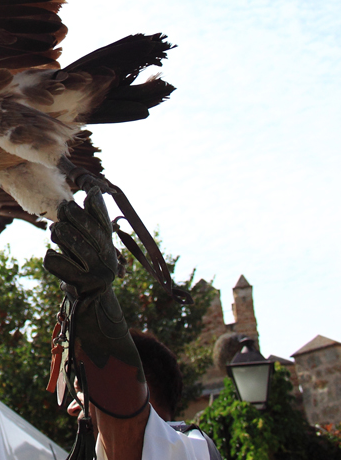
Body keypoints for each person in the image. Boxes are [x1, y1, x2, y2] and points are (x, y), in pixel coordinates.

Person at [45, 189, 216, 460]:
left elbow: (133, 437)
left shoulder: (192, 450)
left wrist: (95, 299)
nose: (73, 407)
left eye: (82, 391)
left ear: (139, 387)